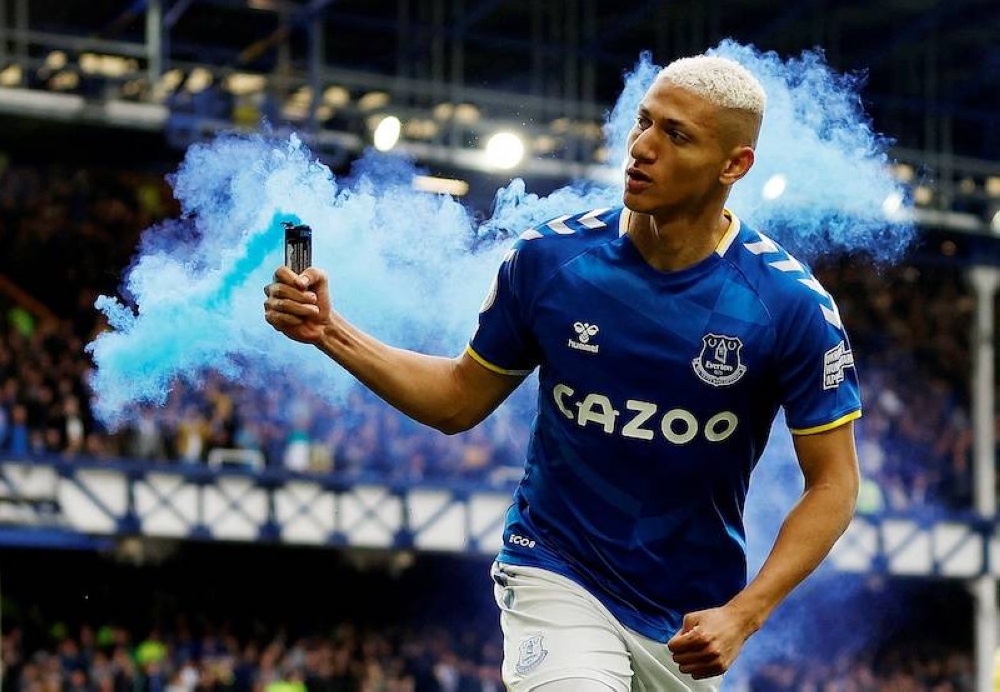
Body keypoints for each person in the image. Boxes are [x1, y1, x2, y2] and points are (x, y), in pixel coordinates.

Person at [264, 54, 861, 692]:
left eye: (675, 135)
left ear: (734, 165)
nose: (642, 148)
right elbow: (456, 401)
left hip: (686, 617)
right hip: (556, 570)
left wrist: (744, 615)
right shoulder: (550, 261)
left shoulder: (787, 306)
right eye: (643, 122)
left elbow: (834, 484)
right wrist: (329, 330)